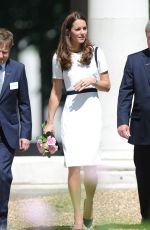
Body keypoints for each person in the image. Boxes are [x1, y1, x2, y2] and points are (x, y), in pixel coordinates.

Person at [44, 11, 110, 230]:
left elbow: (107, 85)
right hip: (71, 114)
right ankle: (78, 220)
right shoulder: (58, 57)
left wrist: (93, 80)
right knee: (73, 166)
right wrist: (49, 121)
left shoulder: (97, 53)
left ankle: (89, 202)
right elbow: (55, 92)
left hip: (92, 110)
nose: (82, 32)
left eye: (84, 28)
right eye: (78, 29)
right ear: (68, 32)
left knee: (91, 167)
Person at [117, 21, 150, 224]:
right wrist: (122, 121)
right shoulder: (134, 60)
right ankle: (146, 217)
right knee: (145, 176)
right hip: (143, 128)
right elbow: (125, 93)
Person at [0, 28, 32, 230]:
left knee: (3, 174)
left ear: (10, 49)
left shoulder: (18, 70)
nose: (1, 55)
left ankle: (2, 218)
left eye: (4, 51)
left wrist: (25, 134)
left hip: (7, 132)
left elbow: (24, 103)